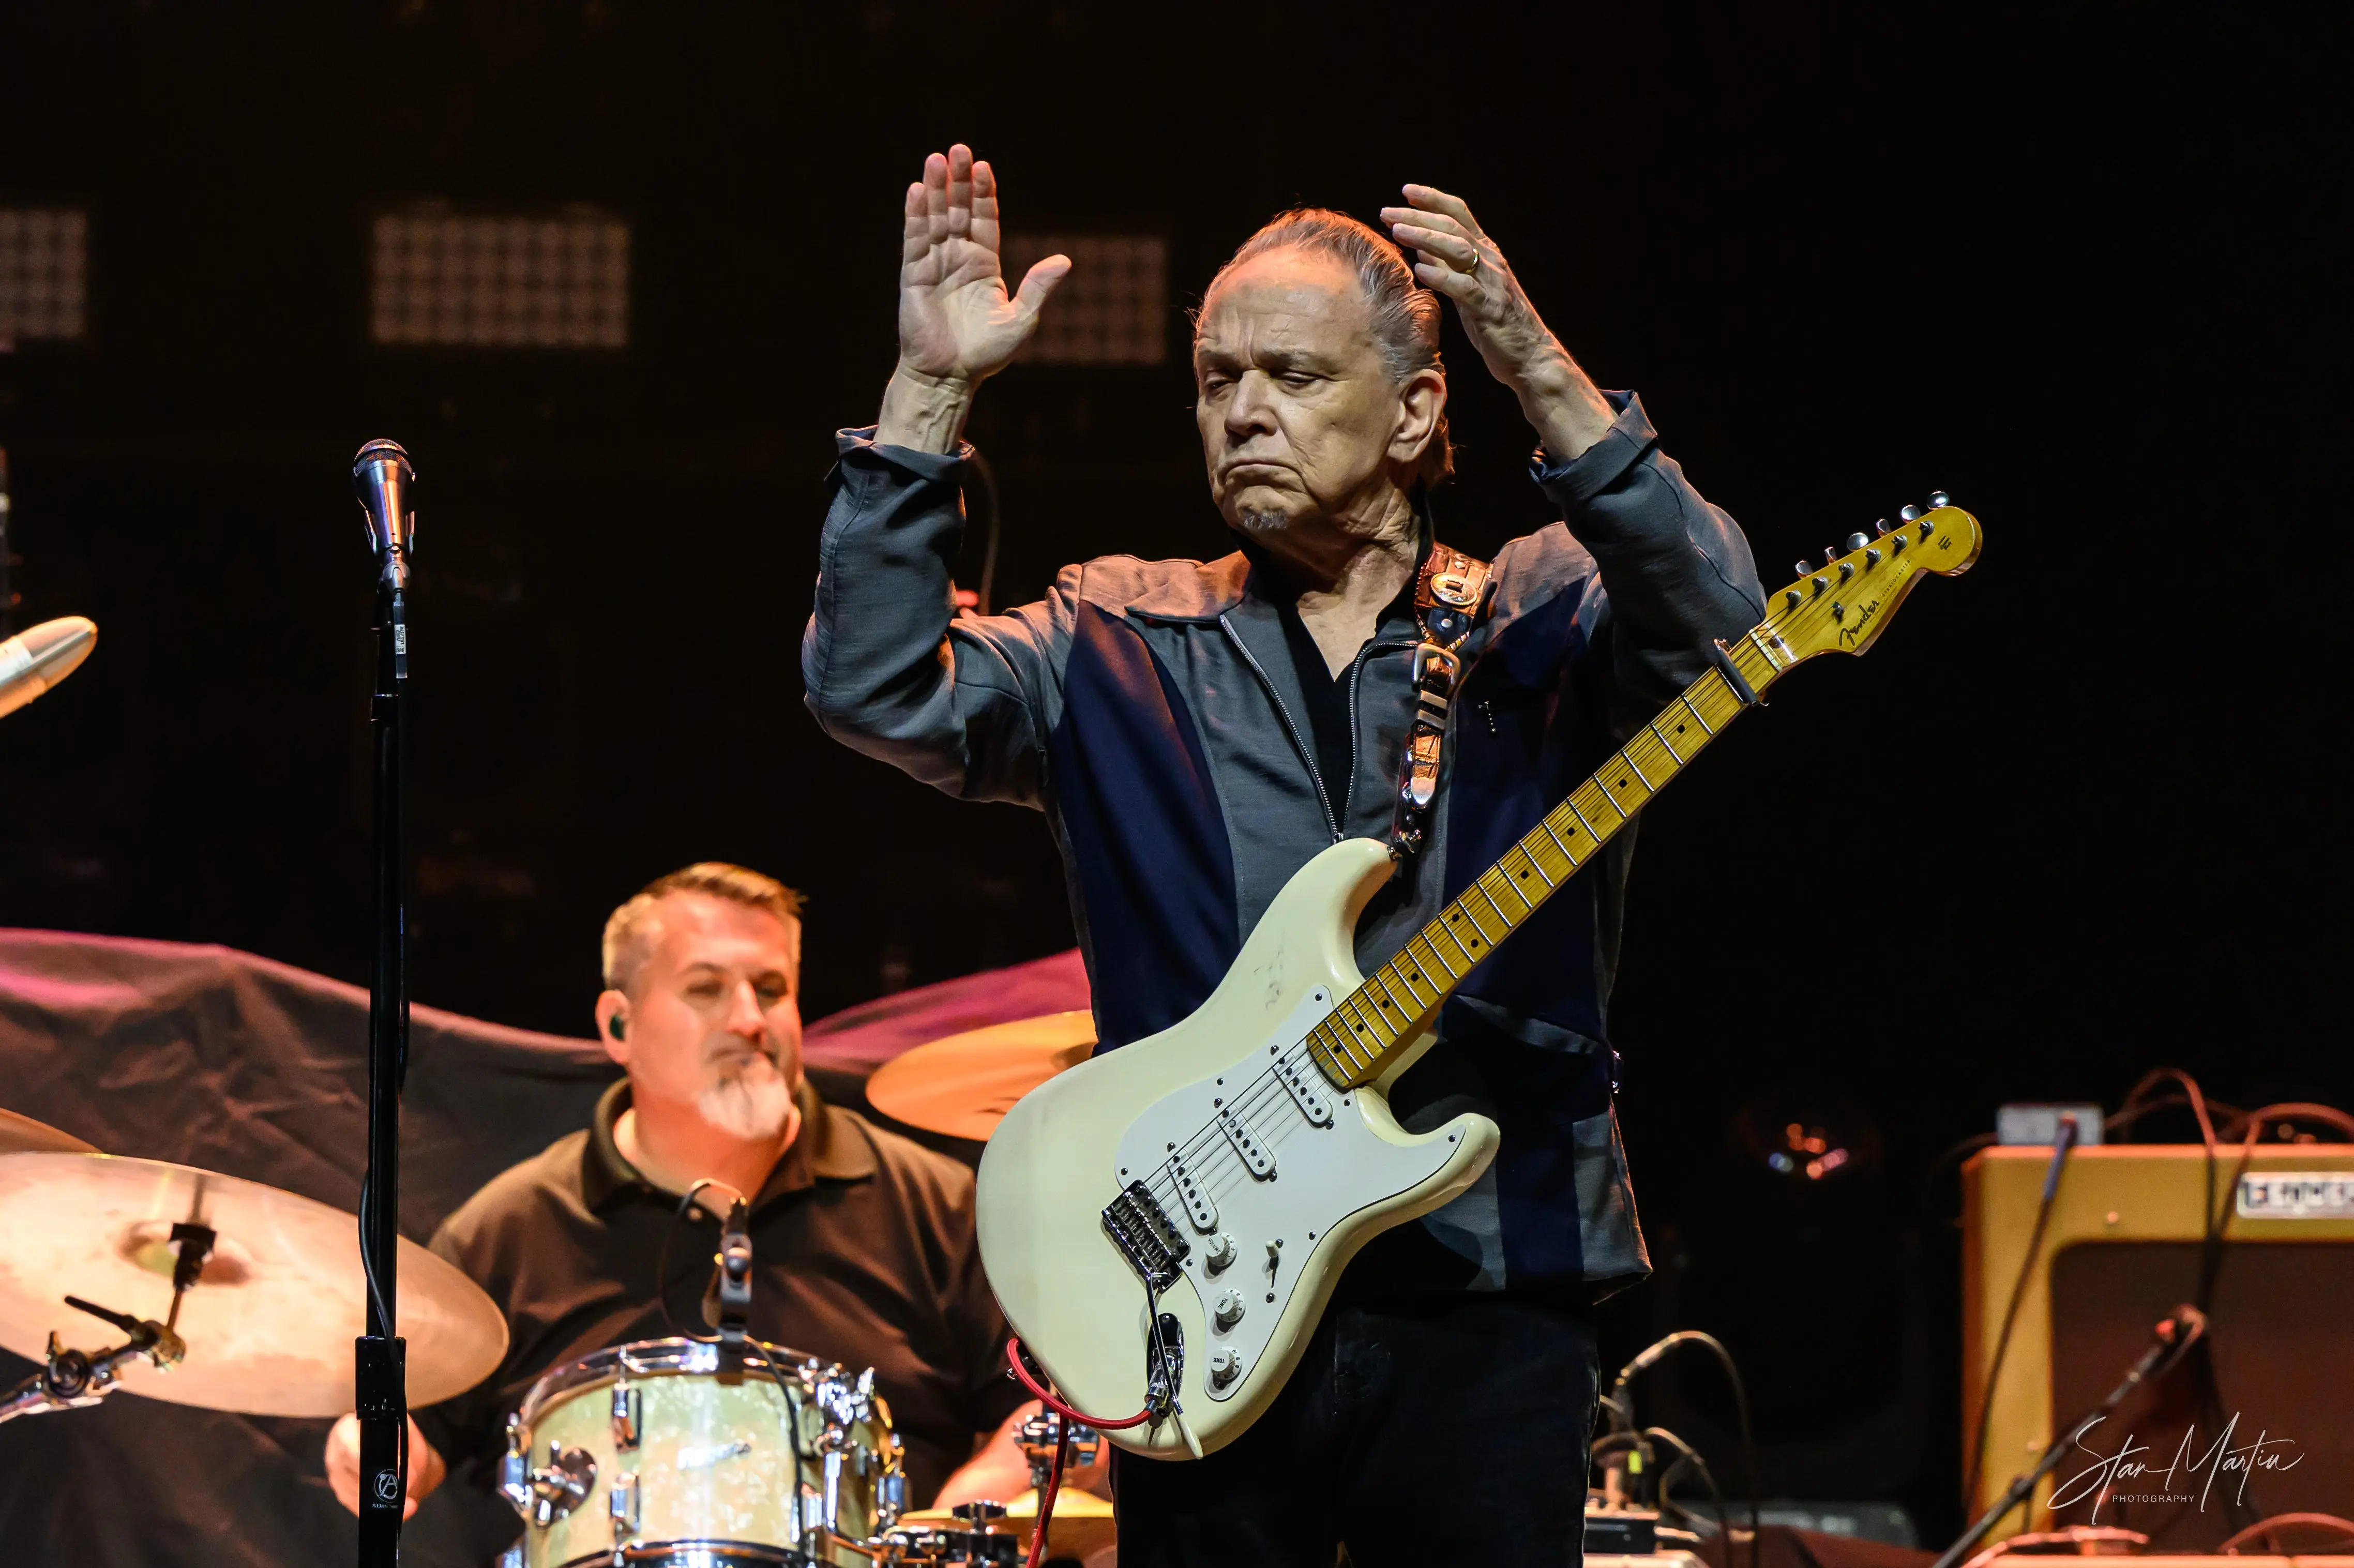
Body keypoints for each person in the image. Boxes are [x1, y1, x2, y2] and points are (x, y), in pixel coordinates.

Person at [802, 145, 1765, 1564]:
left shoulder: (1543, 614)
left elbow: (1726, 627)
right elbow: (875, 686)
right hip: (1195, 1301)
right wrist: (932, 393)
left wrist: (1543, 372)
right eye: (1216, 381)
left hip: (1487, 1291)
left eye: (1295, 379)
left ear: (1417, 407)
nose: (1244, 411)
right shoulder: (1116, 638)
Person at [323, 862, 1046, 1539]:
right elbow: (416, 1428)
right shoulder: (512, 1229)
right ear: (617, 1025)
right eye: (706, 989)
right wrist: (376, 1446)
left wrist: (967, 1509)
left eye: (770, 989)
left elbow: (1051, 1406)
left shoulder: (936, 1208)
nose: (749, 1021)